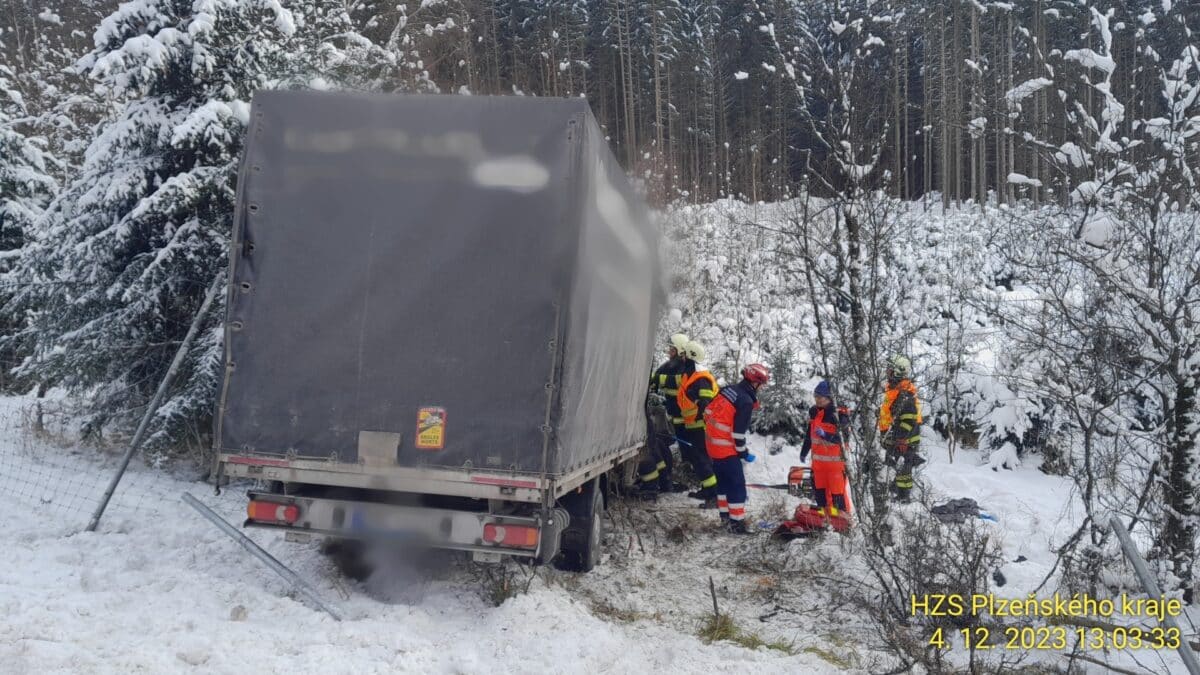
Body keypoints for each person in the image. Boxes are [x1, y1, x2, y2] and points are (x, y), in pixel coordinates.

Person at [704, 364, 769, 534]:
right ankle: (737, 525)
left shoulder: (727, 390)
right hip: (727, 451)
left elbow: (707, 411)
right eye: (761, 385)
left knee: (723, 486)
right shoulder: (745, 401)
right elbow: (738, 433)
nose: (761, 388)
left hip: (713, 447)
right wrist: (743, 453)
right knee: (737, 487)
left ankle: (725, 520)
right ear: (755, 383)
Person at [636, 333, 691, 495]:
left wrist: (655, 383)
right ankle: (665, 481)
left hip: (683, 420)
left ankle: (655, 485)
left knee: (654, 446)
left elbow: (669, 381)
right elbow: (655, 379)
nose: (669, 352)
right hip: (673, 418)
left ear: (680, 351)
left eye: (672, 349)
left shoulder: (683, 369)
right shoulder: (670, 366)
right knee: (657, 445)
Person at [800, 380, 851, 519]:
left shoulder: (839, 415)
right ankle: (824, 520)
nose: (817, 400)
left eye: (820, 397)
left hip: (836, 466)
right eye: (815, 396)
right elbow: (809, 435)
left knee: (837, 498)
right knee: (820, 498)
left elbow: (843, 438)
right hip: (818, 466)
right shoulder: (814, 412)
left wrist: (826, 435)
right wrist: (804, 451)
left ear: (829, 398)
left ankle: (842, 522)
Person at [676, 340, 719, 504]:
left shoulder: (701, 378)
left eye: (684, 355)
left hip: (702, 426)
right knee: (698, 459)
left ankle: (714, 495)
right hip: (694, 425)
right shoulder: (691, 375)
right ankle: (707, 490)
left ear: (690, 357)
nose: (682, 358)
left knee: (703, 460)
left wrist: (703, 421)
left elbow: (706, 403)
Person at [879, 354, 923, 502]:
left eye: (890, 370)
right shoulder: (895, 390)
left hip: (904, 440)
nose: (887, 372)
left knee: (903, 469)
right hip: (895, 438)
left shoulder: (904, 394)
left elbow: (908, 419)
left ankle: (904, 497)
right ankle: (894, 491)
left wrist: (901, 438)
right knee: (894, 466)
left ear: (898, 372)